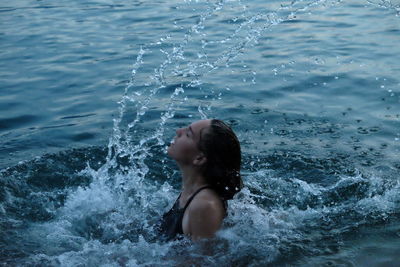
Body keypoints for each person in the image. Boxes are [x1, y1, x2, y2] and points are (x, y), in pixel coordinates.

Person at [157, 119, 243, 241]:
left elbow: (204, 259)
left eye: (188, 134)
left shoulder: (204, 205)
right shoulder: (190, 192)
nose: (178, 131)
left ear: (199, 158)